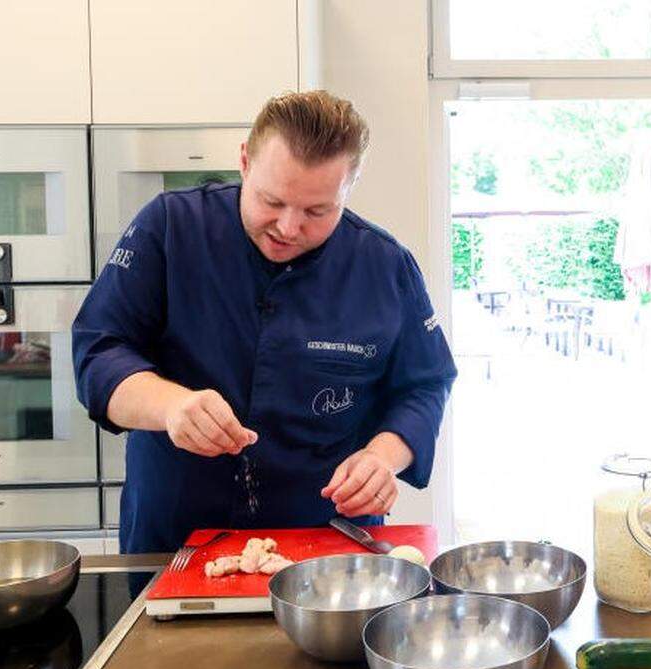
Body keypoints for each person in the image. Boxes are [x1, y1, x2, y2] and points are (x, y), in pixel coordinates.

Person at [72, 91, 457, 553]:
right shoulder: (171, 227)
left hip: (327, 539)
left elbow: (425, 384)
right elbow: (98, 351)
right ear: (244, 163)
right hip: (177, 534)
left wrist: (382, 458)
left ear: (348, 187)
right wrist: (171, 406)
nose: (289, 228)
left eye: (318, 211)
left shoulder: (385, 266)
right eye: (271, 201)